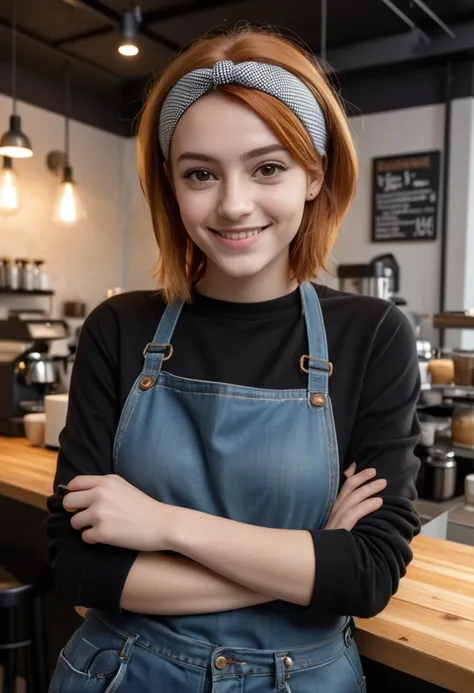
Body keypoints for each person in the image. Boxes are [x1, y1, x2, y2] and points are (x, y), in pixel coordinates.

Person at [45, 25, 421, 693]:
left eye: (268, 166)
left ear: (314, 174)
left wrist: (162, 524)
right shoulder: (118, 329)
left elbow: (365, 575)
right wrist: (304, 564)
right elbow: (78, 568)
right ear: (171, 183)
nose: (233, 203)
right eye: (200, 174)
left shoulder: (373, 336)